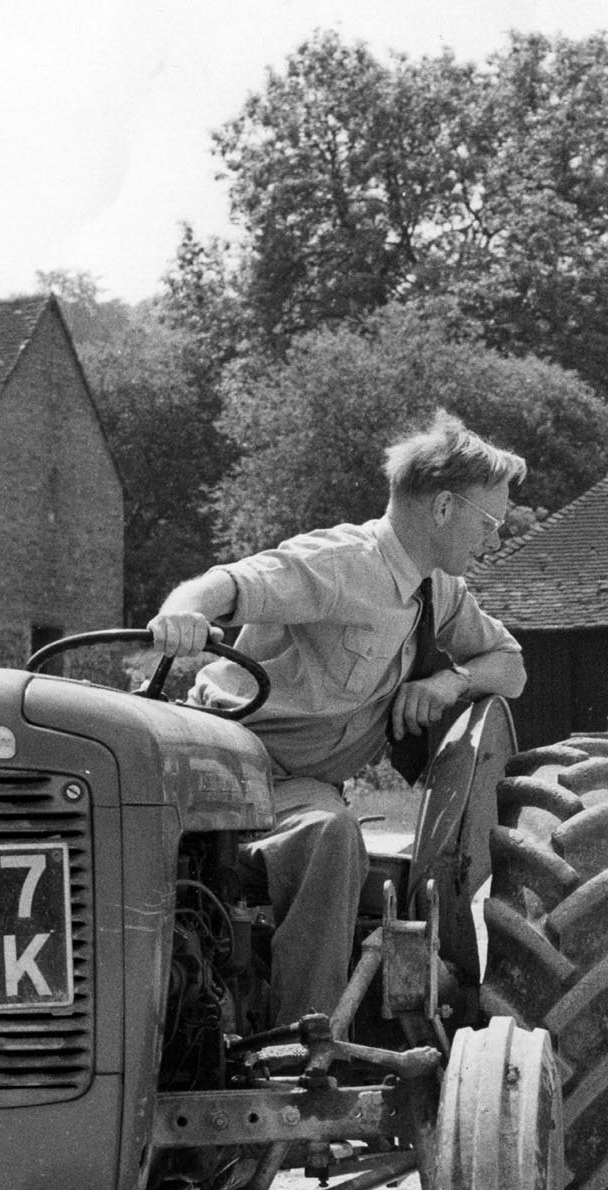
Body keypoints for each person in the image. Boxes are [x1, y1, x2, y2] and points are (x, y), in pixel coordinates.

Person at [146, 411, 527, 1024]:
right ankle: (283, 1041)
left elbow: (510, 665)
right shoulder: (342, 562)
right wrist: (181, 613)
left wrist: (449, 679)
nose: (496, 539)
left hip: (298, 789)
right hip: (223, 770)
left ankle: (301, 1041)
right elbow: (230, 583)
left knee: (328, 830)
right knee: (328, 835)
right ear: (444, 509)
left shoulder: (439, 591)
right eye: (490, 523)